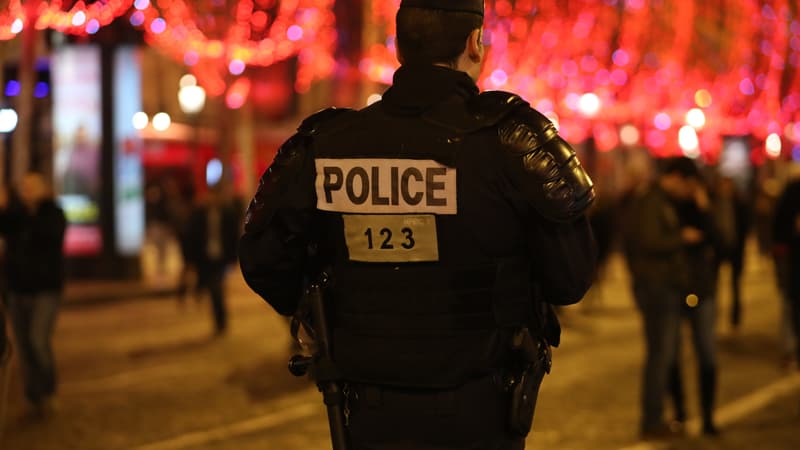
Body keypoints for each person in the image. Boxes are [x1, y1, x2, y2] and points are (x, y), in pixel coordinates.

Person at [239, 1, 596, 448]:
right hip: (481, 408)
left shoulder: (326, 145)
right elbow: (571, 279)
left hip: (366, 409)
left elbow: (261, 259)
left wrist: (321, 308)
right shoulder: (509, 140)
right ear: (474, 43)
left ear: (400, 47)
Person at [624, 157, 705, 439]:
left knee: (665, 354)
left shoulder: (660, 200)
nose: (688, 191)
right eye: (688, 185)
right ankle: (652, 419)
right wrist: (681, 237)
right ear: (675, 177)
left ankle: (658, 416)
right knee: (661, 355)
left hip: (662, 286)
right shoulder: (652, 201)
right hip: (657, 288)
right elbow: (648, 241)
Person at [0, 173, 66, 417]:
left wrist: (30, 212)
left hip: (45, 290)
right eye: (24, 186)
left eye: (32, 186)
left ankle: (48, 390)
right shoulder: (17, 215)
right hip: (18, 290)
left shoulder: (53, 213)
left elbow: (47, 237)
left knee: (38, 340)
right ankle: (33, 395)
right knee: (24, 346)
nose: (28, 191)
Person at [667, 174, 720, 436]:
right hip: (676, 289)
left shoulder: (704, 209)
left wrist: (706, 208)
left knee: (707, 355)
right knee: (672, 356)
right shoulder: (668, 206)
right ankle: (680, 413)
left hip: (703, 289)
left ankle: (708, 416)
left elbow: (723, 242)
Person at [184, 184, 240, 336]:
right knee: (213, 289)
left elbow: (233, 237)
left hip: (221, 259)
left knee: (217, 289)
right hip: (205, 259)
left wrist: (233, 258)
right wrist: (190, 260)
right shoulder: (199, 214)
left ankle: (220, 322)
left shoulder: (228, 214)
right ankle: (219, 319)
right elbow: (190, 237)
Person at [712, 176, 750, 331]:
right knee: (714, 286)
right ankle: (714, 317)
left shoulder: (739, 203)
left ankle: (735, 319)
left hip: (735, 250)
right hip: (718, 251)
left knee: (735, 286)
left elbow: (745, 226)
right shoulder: (713, 203)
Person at [773, 164, 800, 369]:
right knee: (790, 305)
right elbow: (779, 229)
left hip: (791, 261)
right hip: (793, 261)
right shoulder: (792, 193)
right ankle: (790, 350)